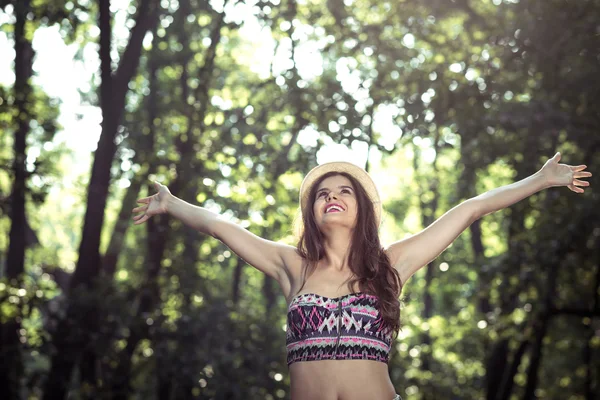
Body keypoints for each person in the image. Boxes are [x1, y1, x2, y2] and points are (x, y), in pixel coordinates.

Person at [131, 152, 591, 400]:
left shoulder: (391, 266)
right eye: (322, 194)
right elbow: (222, 226)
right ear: (311, 212)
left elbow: (469, 210)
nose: (332, 197)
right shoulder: (292, 266)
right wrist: (171, 204)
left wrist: (540, 180)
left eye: (344, 191)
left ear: (361, 209)